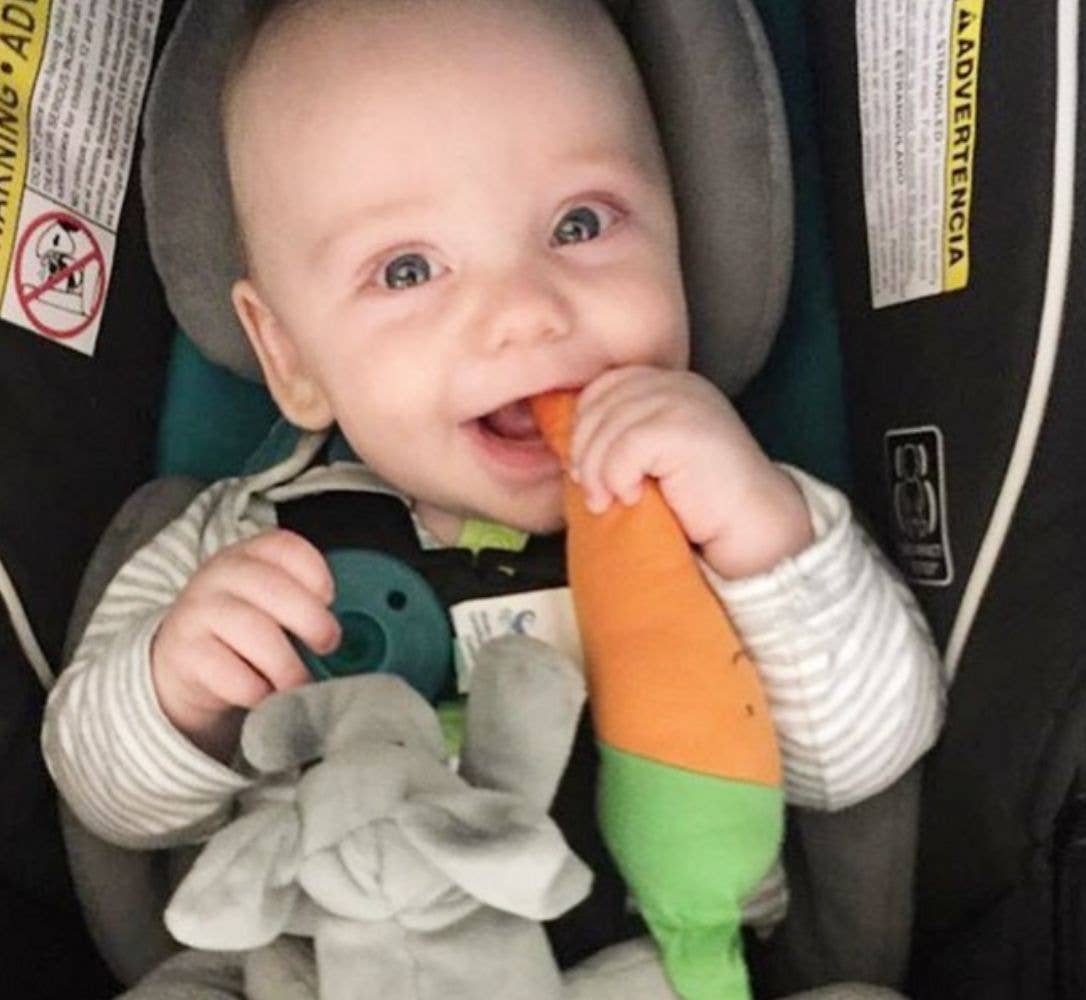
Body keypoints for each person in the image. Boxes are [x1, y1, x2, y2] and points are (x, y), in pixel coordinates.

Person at [42, 0, 945, 991]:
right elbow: (105, 796)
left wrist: (766, 539)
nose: (524, 311)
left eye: (580, 223)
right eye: (408, 268)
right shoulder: (233, 542)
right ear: (290, 356)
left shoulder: (731, 511)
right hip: (320, 967)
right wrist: (179, 700)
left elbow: (868, 757)